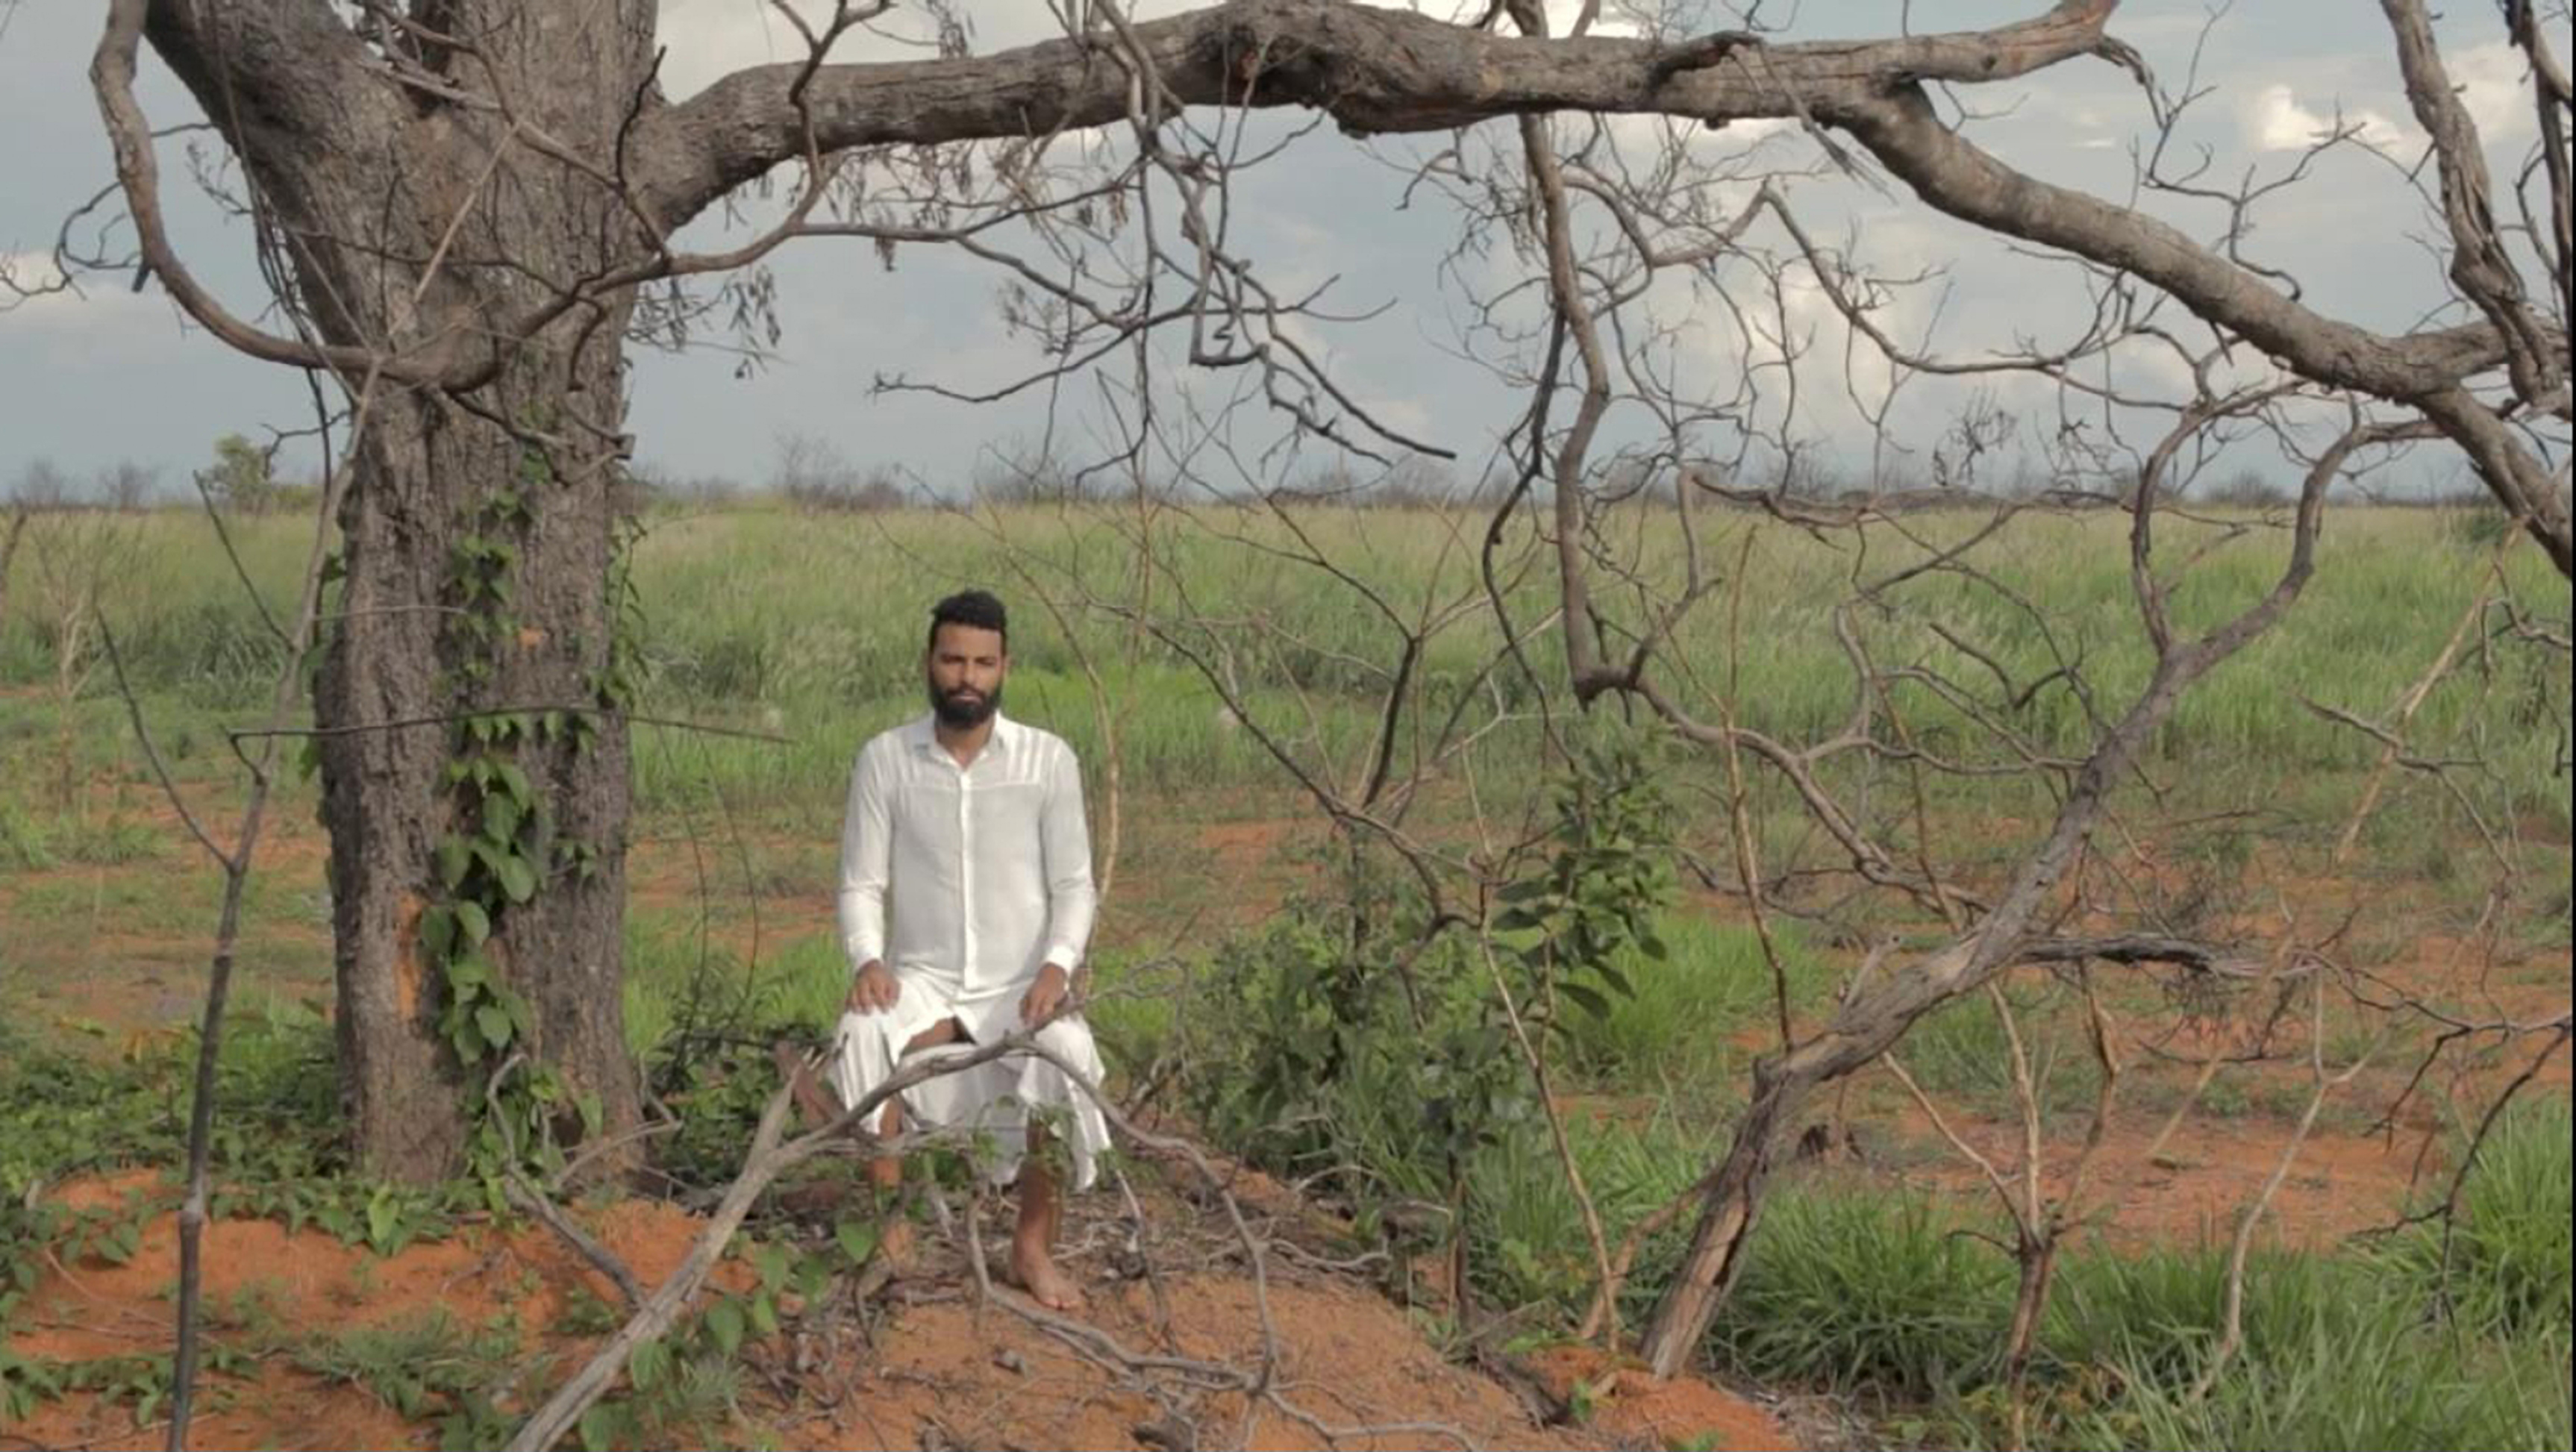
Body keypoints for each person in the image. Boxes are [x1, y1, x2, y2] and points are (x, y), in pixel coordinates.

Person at [827, 588, 1108, 1311]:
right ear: (929, 662)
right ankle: (892, 1236)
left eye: (983, 663)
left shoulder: (1047, 761)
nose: (967, 678)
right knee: (860, 1034)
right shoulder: (885, 760)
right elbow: (861, 883)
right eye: (953, 660)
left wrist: (1057, 965)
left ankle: (1031, 1248)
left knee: (1067, 1054)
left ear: (1005, 666)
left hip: (1019, 986)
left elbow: (1074, 885)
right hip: (920, 979)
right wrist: (867, 960)